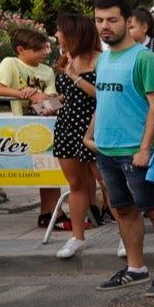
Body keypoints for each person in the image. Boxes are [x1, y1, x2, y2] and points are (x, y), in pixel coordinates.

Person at [87, 0, 154, 295]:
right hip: (108, 150)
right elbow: (104, 101)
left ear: (127, 21)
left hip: (138, 151)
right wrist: (92, 136)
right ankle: (136, 267)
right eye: (100, 20)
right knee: (123, 210)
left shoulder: (144, 58)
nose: (105, 26)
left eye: (112, 20)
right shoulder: (103, 60)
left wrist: (144, 148)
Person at [0, 27, 62, 226]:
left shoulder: (47, 71)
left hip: (44, 124)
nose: (44, 53)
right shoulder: (10, 63)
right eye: (39, 50)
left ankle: (49, 213)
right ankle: (50, 213)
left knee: (48, 170)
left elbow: (51, 99)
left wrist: (40, 98)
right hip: (18, 126)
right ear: (21, 49)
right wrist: (24, 93)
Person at [51, 13, 103, 259]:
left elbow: (103, 96)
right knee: (75, 184)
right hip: (67, 124)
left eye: (59, 30)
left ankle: (126, 237)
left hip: (95, 125)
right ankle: (77, 236)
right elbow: (65, 95)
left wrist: (75, 76)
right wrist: (48, 102)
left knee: (106, 182)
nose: (56, 35)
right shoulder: (65, 59)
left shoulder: (102, 60)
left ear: (73, 33)